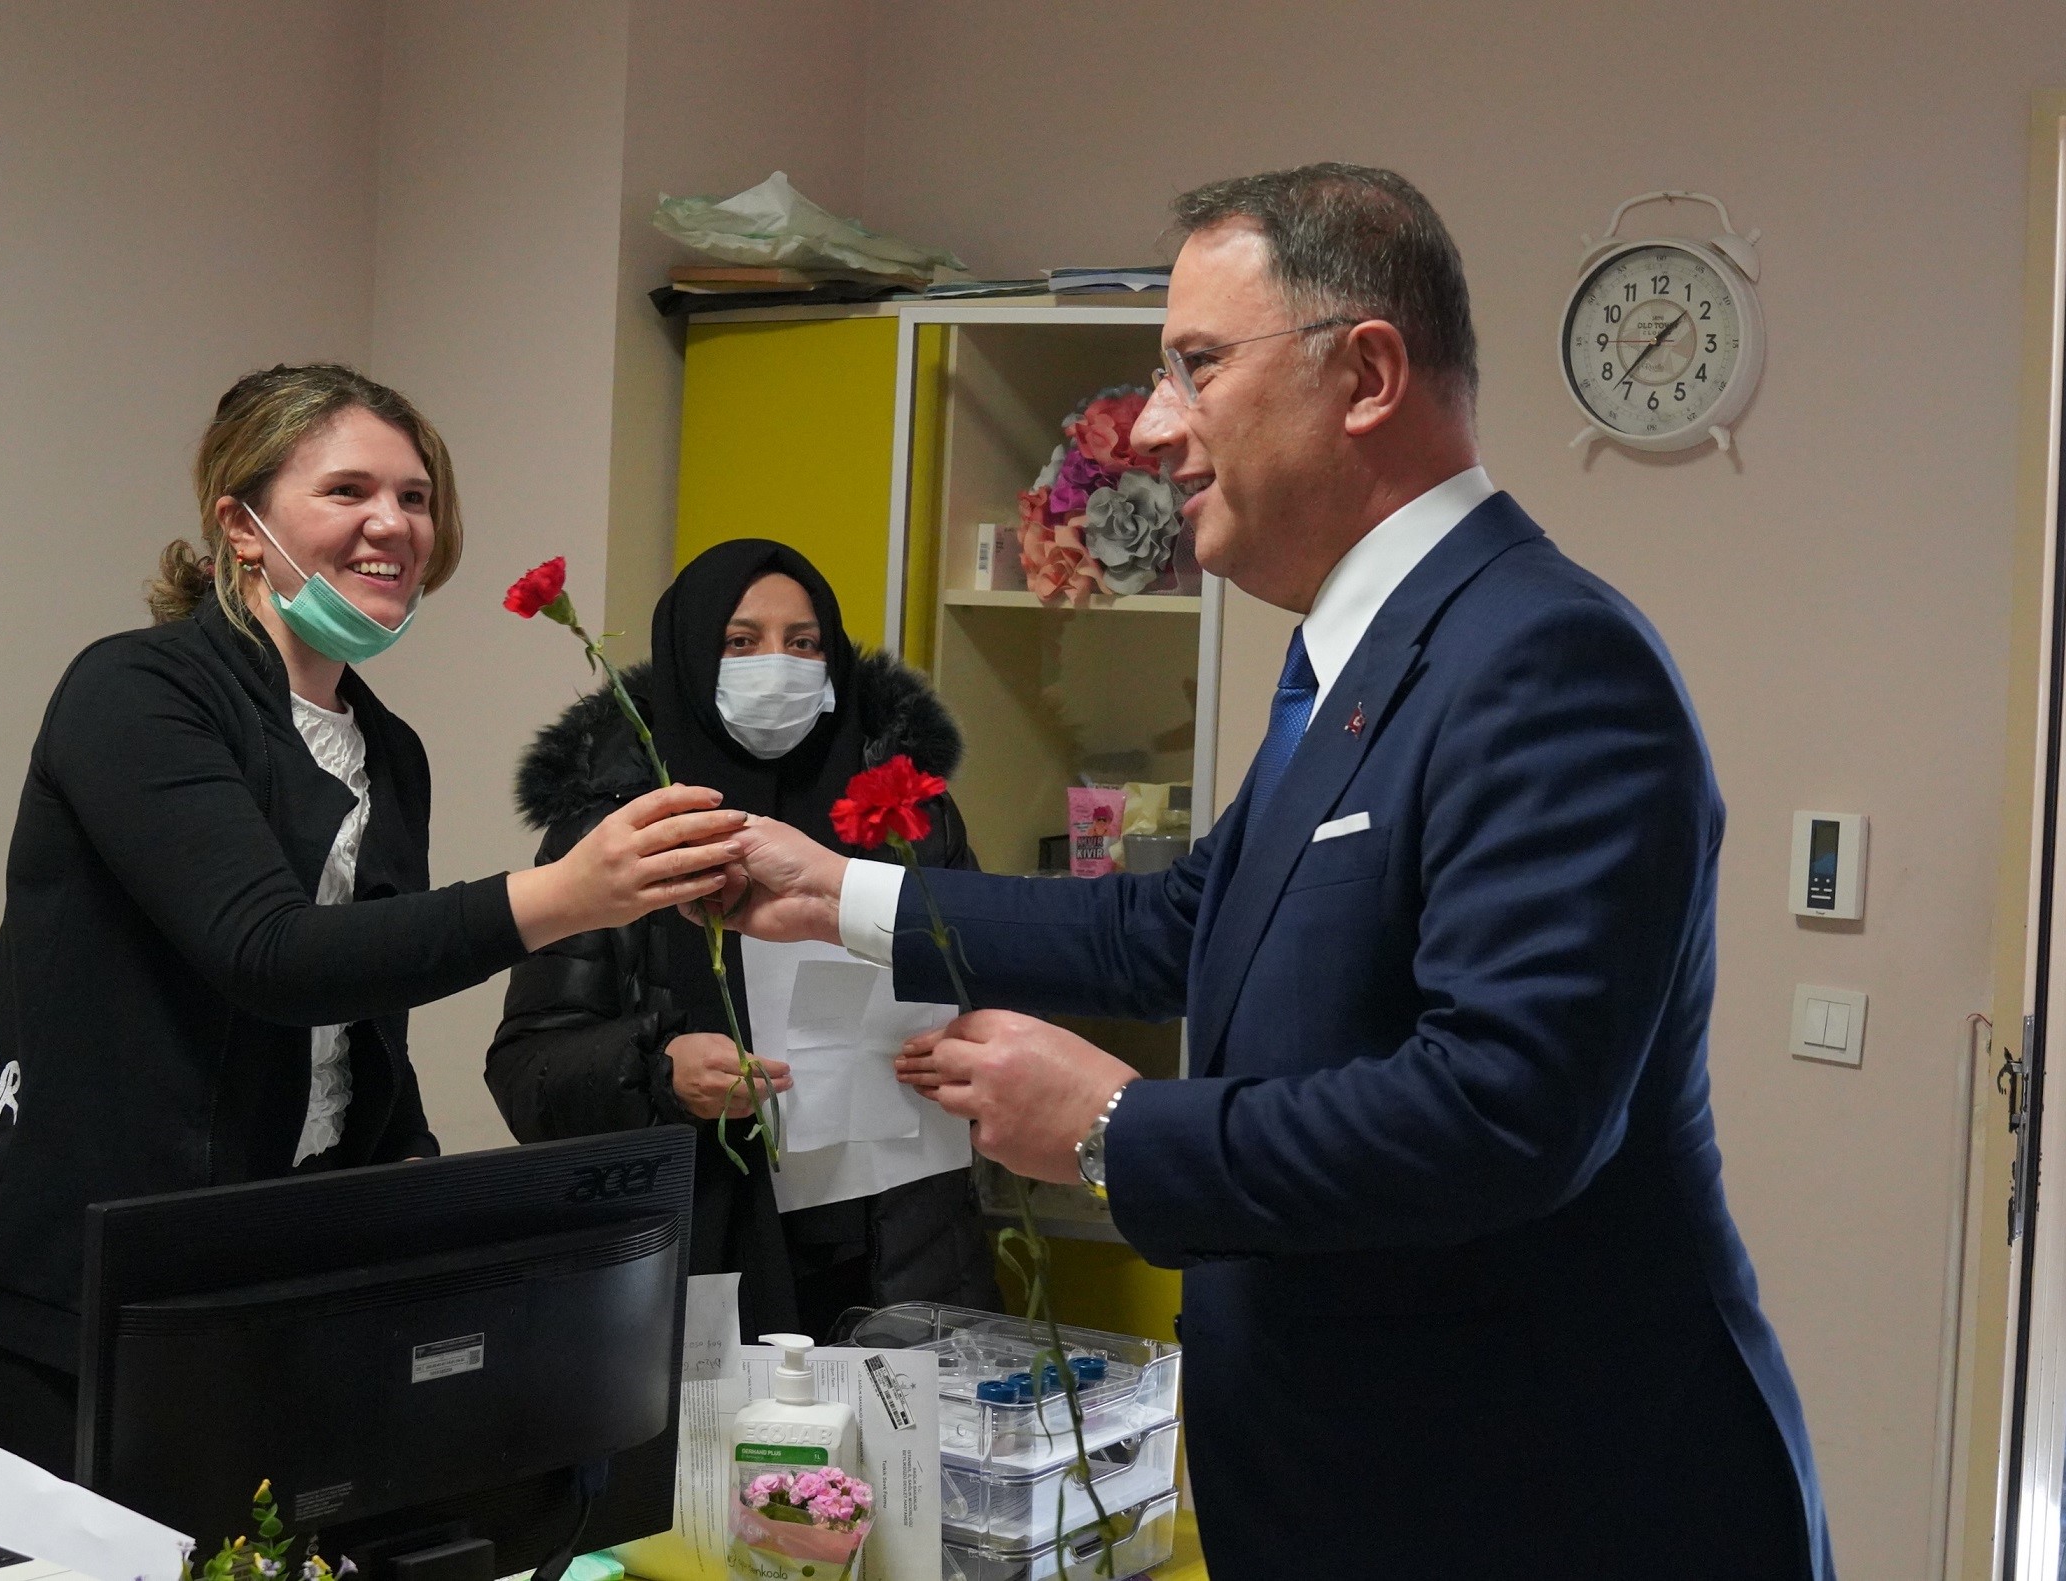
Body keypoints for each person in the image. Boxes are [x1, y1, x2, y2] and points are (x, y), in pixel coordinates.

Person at [716, 168, 1834, 1578]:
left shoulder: (1545, 659)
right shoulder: (1358, 658)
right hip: (1352, 1488)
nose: (1149, 426)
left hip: (1537, 1499)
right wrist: (837, 896)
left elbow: (1502, 1112)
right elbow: (1185, 923)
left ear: (1364, 374)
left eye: (1194, 366)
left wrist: (1113, 1128)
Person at [0, 364, 746, 1500]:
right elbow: (269, 955)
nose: (392, 524)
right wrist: (561, 895)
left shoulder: (383, 747)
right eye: (348, 490)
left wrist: (414, 1196)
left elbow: (362, 1020)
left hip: (273, 1279)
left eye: (415, 497)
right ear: (241, 526)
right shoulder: (136, 692)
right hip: (78, 1294)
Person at [487, 540, 1000, 1342]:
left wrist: (973, 1043)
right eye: (741, 641)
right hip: (703, 1261)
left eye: (803, 643)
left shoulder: (908, 814)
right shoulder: (616, 832)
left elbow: (990, 980)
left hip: (908, 1252)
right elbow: (527, 1073)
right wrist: (660, 1069)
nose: (777, 666)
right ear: (693, 658)